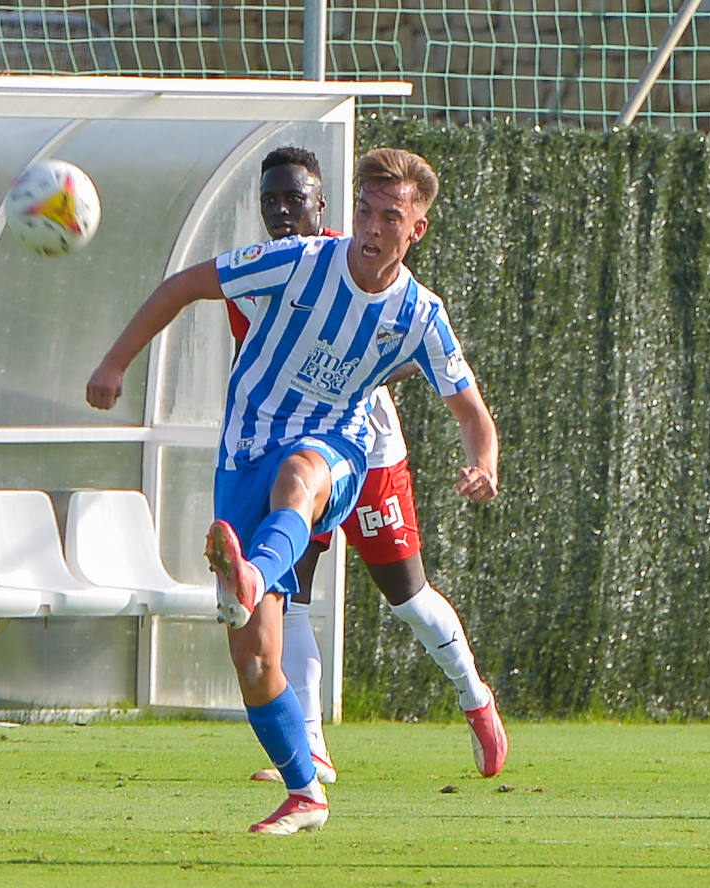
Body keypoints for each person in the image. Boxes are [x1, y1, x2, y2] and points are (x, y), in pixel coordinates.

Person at [86, 147, 499, 835]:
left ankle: (469, 694)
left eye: (389, 216)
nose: (371, 227)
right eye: (365, 210)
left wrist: (482, 463)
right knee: (254, 658)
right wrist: (114, 361)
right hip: (243, 453)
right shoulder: (302, 262)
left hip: (336, 450)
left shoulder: (420, 315)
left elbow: (471, 412)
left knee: (303, 480)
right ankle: (307, 792)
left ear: (415, 230)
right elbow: (186, 284)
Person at [235, 147, 508, 787]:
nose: (281, 213)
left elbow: (424, 353)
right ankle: (311, 747)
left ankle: (474, 697)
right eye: (270, 201)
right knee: (289, 591)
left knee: (407, 598)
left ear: (321, 207)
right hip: (294, 450)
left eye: (293, 201)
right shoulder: (259, 273)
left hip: (370, 449)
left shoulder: (359, 255)